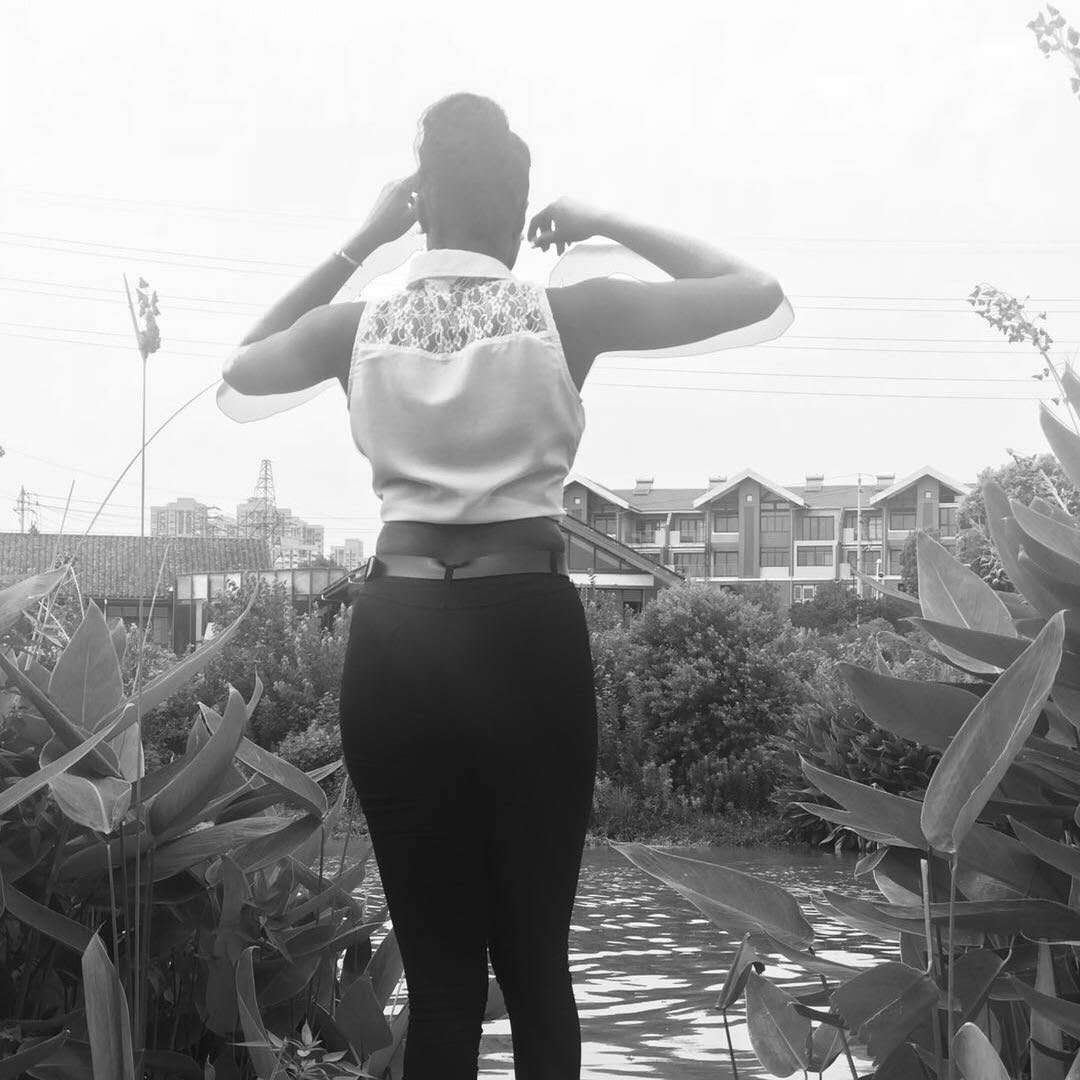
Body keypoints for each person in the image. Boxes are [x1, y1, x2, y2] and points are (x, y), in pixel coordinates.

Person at [222, 91, 787, 1080]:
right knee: (534, 970)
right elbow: (752, 288)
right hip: (525, 633)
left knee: (441, 984)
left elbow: (243, 365)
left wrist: (362, 238)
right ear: (519, 213)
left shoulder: (357, 328)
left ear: (421, 208)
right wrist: (604, 219)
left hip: (396, 640)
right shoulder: (568, 314)